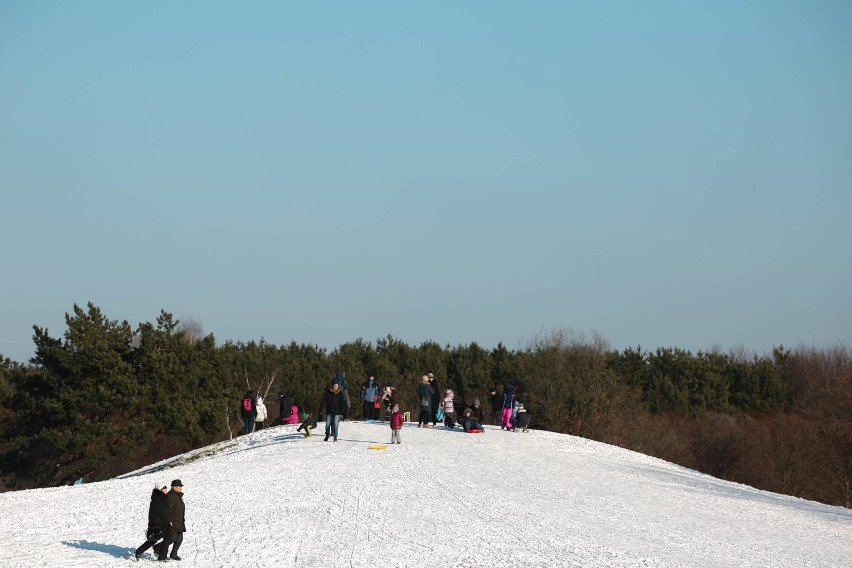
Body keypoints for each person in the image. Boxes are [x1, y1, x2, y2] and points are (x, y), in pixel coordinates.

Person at [134, 482, 170, 560]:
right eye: (164, 487)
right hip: (157, 524)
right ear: (161, 489)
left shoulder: (163, 497)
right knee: (153, 540)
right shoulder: (157, 498)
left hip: (163, 522)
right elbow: (153, 512)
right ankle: (138, 552)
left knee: (166, 538)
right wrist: (154, 525)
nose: (166, 489)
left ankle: (158, 550)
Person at [157, 479, 186, 561]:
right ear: (174, 487)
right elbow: (165, 510)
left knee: (179, 539)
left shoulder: (178, 496)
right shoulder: (170, 496)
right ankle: (157, 547)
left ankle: (173, 554)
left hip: (179, 522)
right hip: (172, 522)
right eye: (180, 486)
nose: (181, 488)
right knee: (171, 538)